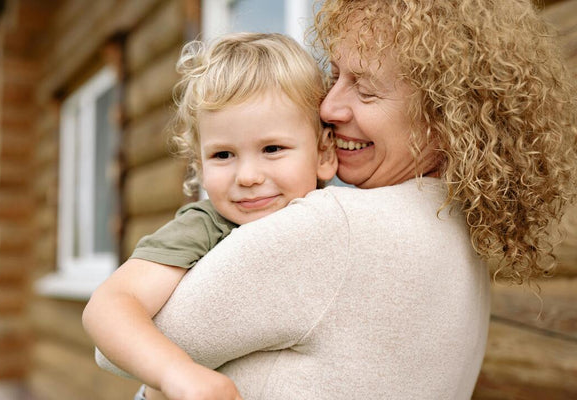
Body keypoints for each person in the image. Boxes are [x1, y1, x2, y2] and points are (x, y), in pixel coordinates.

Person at [89, 0, 577, 399]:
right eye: (336, 75)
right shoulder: (457, 230)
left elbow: (110, 353)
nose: (328, 106)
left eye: (363, 89)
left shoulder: (334, 228)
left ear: (444, 113)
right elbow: (115, 315)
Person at [82, 32, 337, 400]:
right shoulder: (206, 226)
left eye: (272, 148)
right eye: (222, 155)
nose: (247, 176)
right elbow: (108, 306)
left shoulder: (339, 218)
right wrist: (176, 374)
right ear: (198, 166)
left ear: (324, 153)